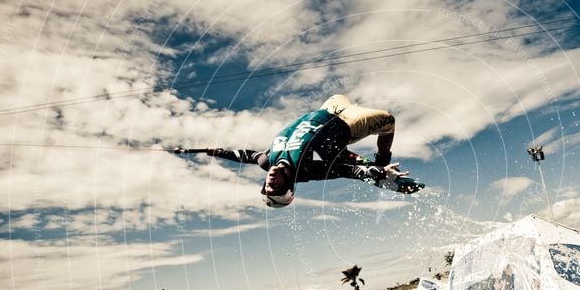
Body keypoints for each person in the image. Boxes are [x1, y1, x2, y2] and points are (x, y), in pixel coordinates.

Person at [174, 94, 422, 207]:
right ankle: (382, 163)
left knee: (339, 95)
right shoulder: (308, 168)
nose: (270, 180)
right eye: (276, 187)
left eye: (267, 185)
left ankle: (373, 166)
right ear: (289, 186)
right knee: (388, 121)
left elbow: (241, 155)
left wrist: (205, 150)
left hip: (330, 107)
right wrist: (377, 171)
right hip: (349, 124)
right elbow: (350, 172)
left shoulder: (266, 160)